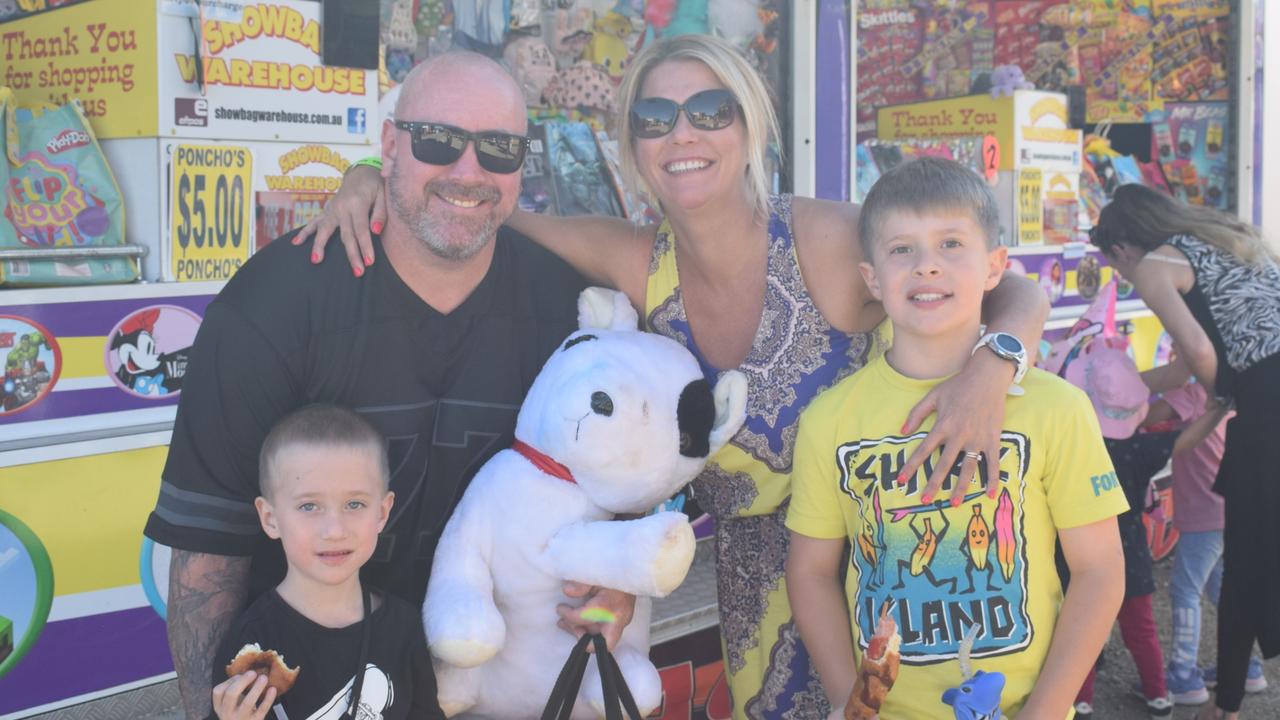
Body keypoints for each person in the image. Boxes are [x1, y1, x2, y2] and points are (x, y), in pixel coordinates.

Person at [301, 35, 1052, 716]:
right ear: (632, 145)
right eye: (656, 118)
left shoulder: (823, 240)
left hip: (894, 567)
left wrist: (994, 366)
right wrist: (370, 170)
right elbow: (482, 207)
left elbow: (1006, 286)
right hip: (761, 595)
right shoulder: (638, 264)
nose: (683, 133)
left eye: (709, 110)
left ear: (750, 124)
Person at [143, 52, 626, 720]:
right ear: (390, 146)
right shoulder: (275, 304)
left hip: (509, 681)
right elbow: (208, 557)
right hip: (315, 690)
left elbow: (621, 484)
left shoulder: (566, 306)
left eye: (499, 149)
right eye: (437, 141)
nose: (468, 170)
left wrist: (609, 599)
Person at [785, 157, 1127, 719]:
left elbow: (1100, 571)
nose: (927, 267)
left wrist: (1045, 710)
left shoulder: (1058, 409)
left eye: (950, 245)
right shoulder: (830, 420)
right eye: (901, 249)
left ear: (995, 266)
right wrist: (854, 704)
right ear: (872, 278)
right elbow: (811, 572)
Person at [1090, 183, 1280, 720]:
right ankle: (1228, 702)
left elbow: (1197, 353)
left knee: (1248, 556)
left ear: (1122, 249)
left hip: (1266, 397)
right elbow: (1181, 368)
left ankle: (1226, 707)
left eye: (1117, 268)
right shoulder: (1225, 240)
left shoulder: (1154, 265)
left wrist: (1227, 395)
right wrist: (1101, 386)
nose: (1127, 279)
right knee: (1250, 551)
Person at [210, 404, 446, 720]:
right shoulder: (251, 640)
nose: (335, 530)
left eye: (354, 504)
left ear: (382, 512)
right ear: (270, 518)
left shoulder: (403, 627)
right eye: (309, 506)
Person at [1056, 338, 1174, 719]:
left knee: (1081, 628)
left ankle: (1082, 700)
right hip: (1131, 560)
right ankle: (1159, 696)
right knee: (1142, 631)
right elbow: (1182, 440)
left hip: (1078, 559)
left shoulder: (1073, 445)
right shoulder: (1139, 449)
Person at [1141, 368, 1268, 705]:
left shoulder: (1193, 395)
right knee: (1222, 587)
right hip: (1232, 507)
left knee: (1185, 589)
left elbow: (1146, 416)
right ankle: (1247, 668)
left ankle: (1183, 676)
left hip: (1204, 515)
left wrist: (1163, 381)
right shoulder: (1234, 398)